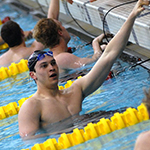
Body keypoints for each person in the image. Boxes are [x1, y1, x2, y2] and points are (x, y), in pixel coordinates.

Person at [18, 0, 149, 138]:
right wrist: (73, 130)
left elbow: (109, 55)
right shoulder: (31, 106)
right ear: (33, 75)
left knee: (129, 111)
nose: (51, 68)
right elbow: (29, 139)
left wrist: (133, 14)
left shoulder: (74, 92)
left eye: (52, 63)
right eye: (44, 66)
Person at [33, 0, 108, 73]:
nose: (64, 27)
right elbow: (92, 61)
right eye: (62, 25)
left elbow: (52, 19)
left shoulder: (55, 56)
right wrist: (96, 44)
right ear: (60, 32)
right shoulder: (62, 58)